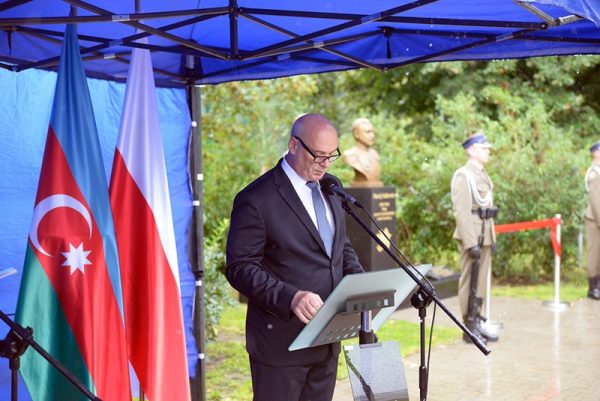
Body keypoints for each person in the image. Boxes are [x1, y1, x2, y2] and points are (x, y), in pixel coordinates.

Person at [226, 113, 364, 401]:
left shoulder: (331, 186)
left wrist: (358, 282)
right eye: (318, 155)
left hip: (327, 341)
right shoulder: (256, 198)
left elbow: (340, 246)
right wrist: (291, 298)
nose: (326, 164)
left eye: (332, 155)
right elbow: (240, 267)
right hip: (281, 346)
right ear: (293, 145)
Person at [450, 130, 499, 344]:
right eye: (483, 148)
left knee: (481, 280)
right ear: (471, 150)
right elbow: (461, 211)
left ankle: (477, 319)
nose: (488, 151)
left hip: (484, 233)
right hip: (472, 235)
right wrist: (470, 243)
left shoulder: (481, 174)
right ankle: (468, 325)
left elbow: (486, 208)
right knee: (470, 280)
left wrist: (492, 237)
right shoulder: (464, 175)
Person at [342, 117, 383, 187]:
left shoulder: (375, 154)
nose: (372, 136)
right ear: (356, 134)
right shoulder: (350, 155)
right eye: (368, 132)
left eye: (372, 132)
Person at [584, 140, 600, 300]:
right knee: (594, 253)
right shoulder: (595, 172)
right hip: (595, 218)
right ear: (596, 153)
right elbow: (596, 199)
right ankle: (593, 288)